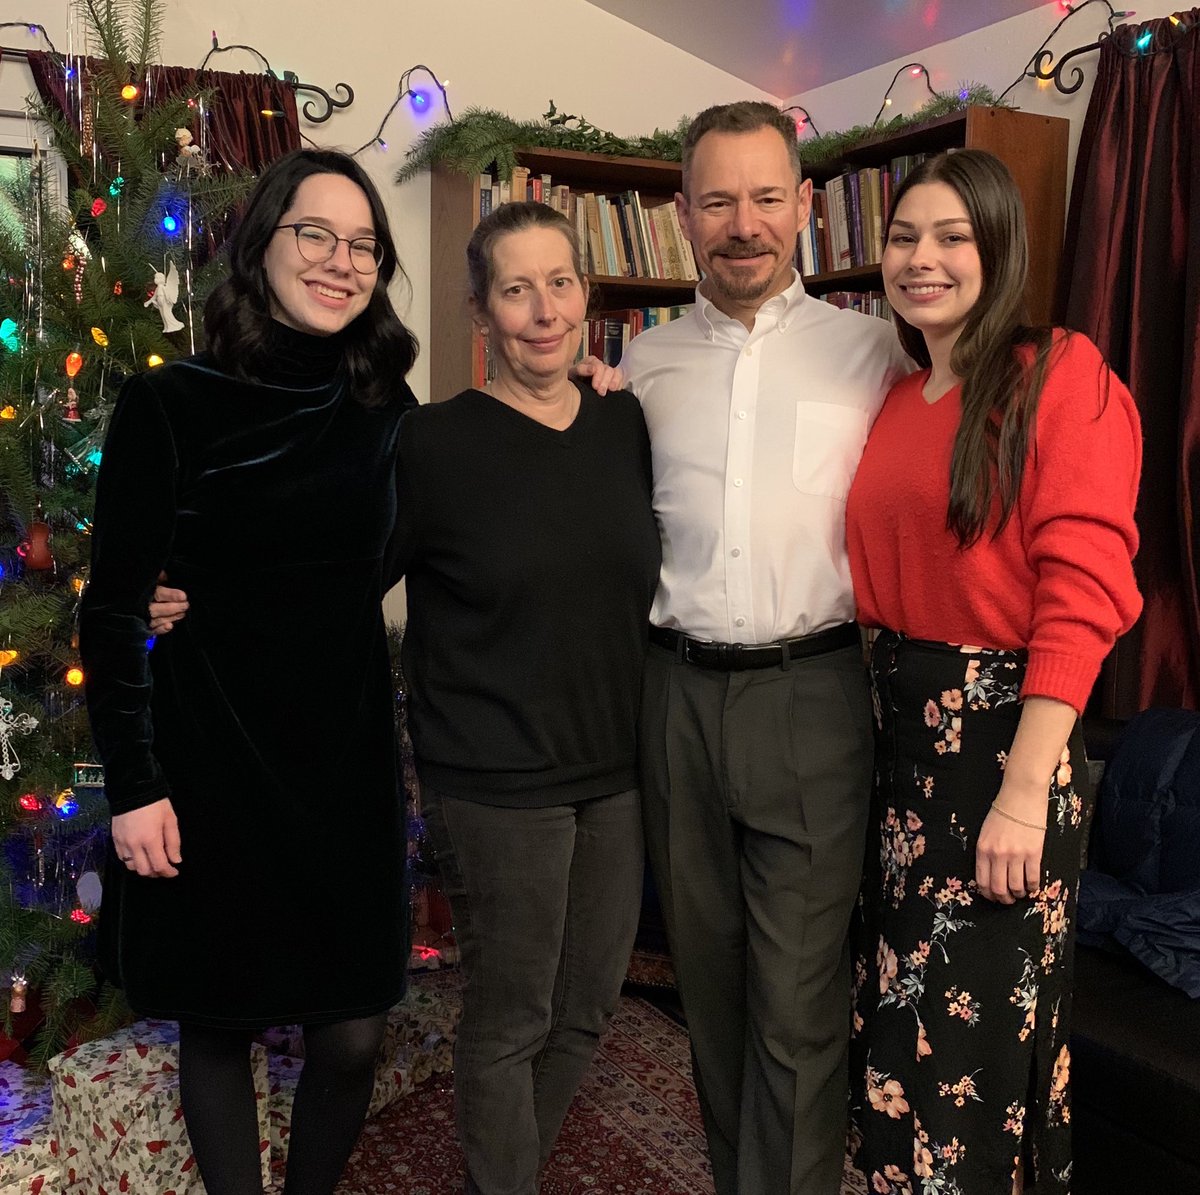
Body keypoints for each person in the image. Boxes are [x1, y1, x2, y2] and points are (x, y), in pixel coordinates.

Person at [79, 148, 418, 1195]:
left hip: (344, 765)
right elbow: (111, 608)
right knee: (218, 1021)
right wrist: (135, 785)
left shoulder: (387, 402)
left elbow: (416, 536)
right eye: (315, 234)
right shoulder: (169, 402)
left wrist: (591, 389)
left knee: (353, 1032)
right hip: (210, 758)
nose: (340, 261)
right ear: (262, 243)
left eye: (362, 245)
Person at [617, 101, 911, 1195]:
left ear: (806, 205)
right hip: (676, 699)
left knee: (796, 1002)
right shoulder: (640, 364)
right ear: (683, 214)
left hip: (813, 696)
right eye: (718, 200)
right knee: (711, 987)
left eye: (767, 197)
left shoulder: (875, 352)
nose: (744, 224)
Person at [844, 149, 1142, 1194]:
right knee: (897, 1034)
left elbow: (1084, 591)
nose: (920, 258)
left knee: (972, 1061)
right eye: (902, 237)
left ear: (1000, 248)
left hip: (1002, 750)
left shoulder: (1060, 374)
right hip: (897, 753)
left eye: (951, 236)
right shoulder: (899, 394)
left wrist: (1022, 791)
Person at [391, 200, 660, 1195]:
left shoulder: (626, 422)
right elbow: (336, 575)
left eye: (560, 283)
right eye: (516, 290)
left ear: (587, 297)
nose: (544, 311)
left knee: (586, 1007)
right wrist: (187, 590)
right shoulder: (432, 443)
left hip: (615, 767)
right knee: (512, 1019)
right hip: (493, 777)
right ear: (480, 311)